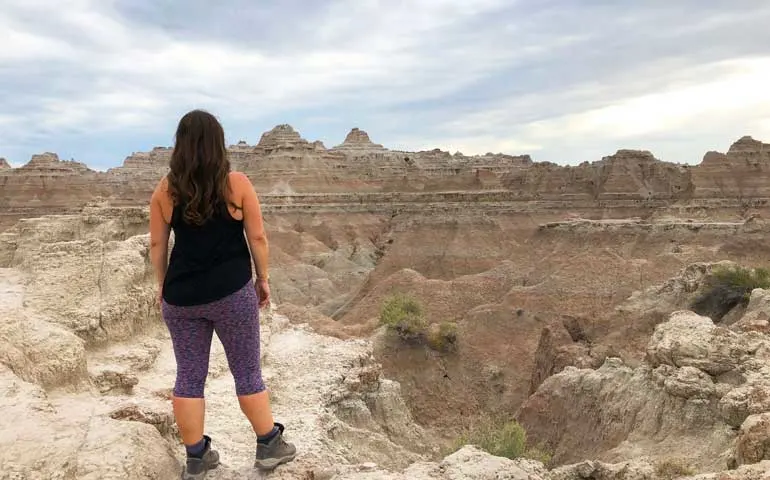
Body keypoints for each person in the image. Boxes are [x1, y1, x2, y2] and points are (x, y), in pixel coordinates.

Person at [149, 109, 296, 479]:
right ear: (218, 143)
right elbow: (258, 237)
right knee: (246, 371)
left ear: (180, 145)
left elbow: (156, 244)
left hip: (181, 298)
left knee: (189, 376)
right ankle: (268, 445)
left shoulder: (165, 191)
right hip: (232, 292)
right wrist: (263, 278)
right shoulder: (237, 184)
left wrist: (162, 286)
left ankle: (196, 458)